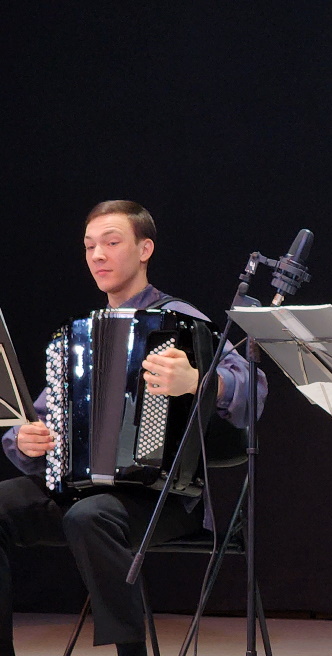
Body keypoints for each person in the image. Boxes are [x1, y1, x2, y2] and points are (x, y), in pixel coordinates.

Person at [0, 200, 267, 656]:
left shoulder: (182, 319)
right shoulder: (82, 336)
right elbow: (39, 418)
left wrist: (199, 383)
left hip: (164, 498)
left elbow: (252, 388)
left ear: (145, 249)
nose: (97, 255)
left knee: (90, 517)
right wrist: (27, 440)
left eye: (111, 242)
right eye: (89, 247)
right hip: (85, 490)